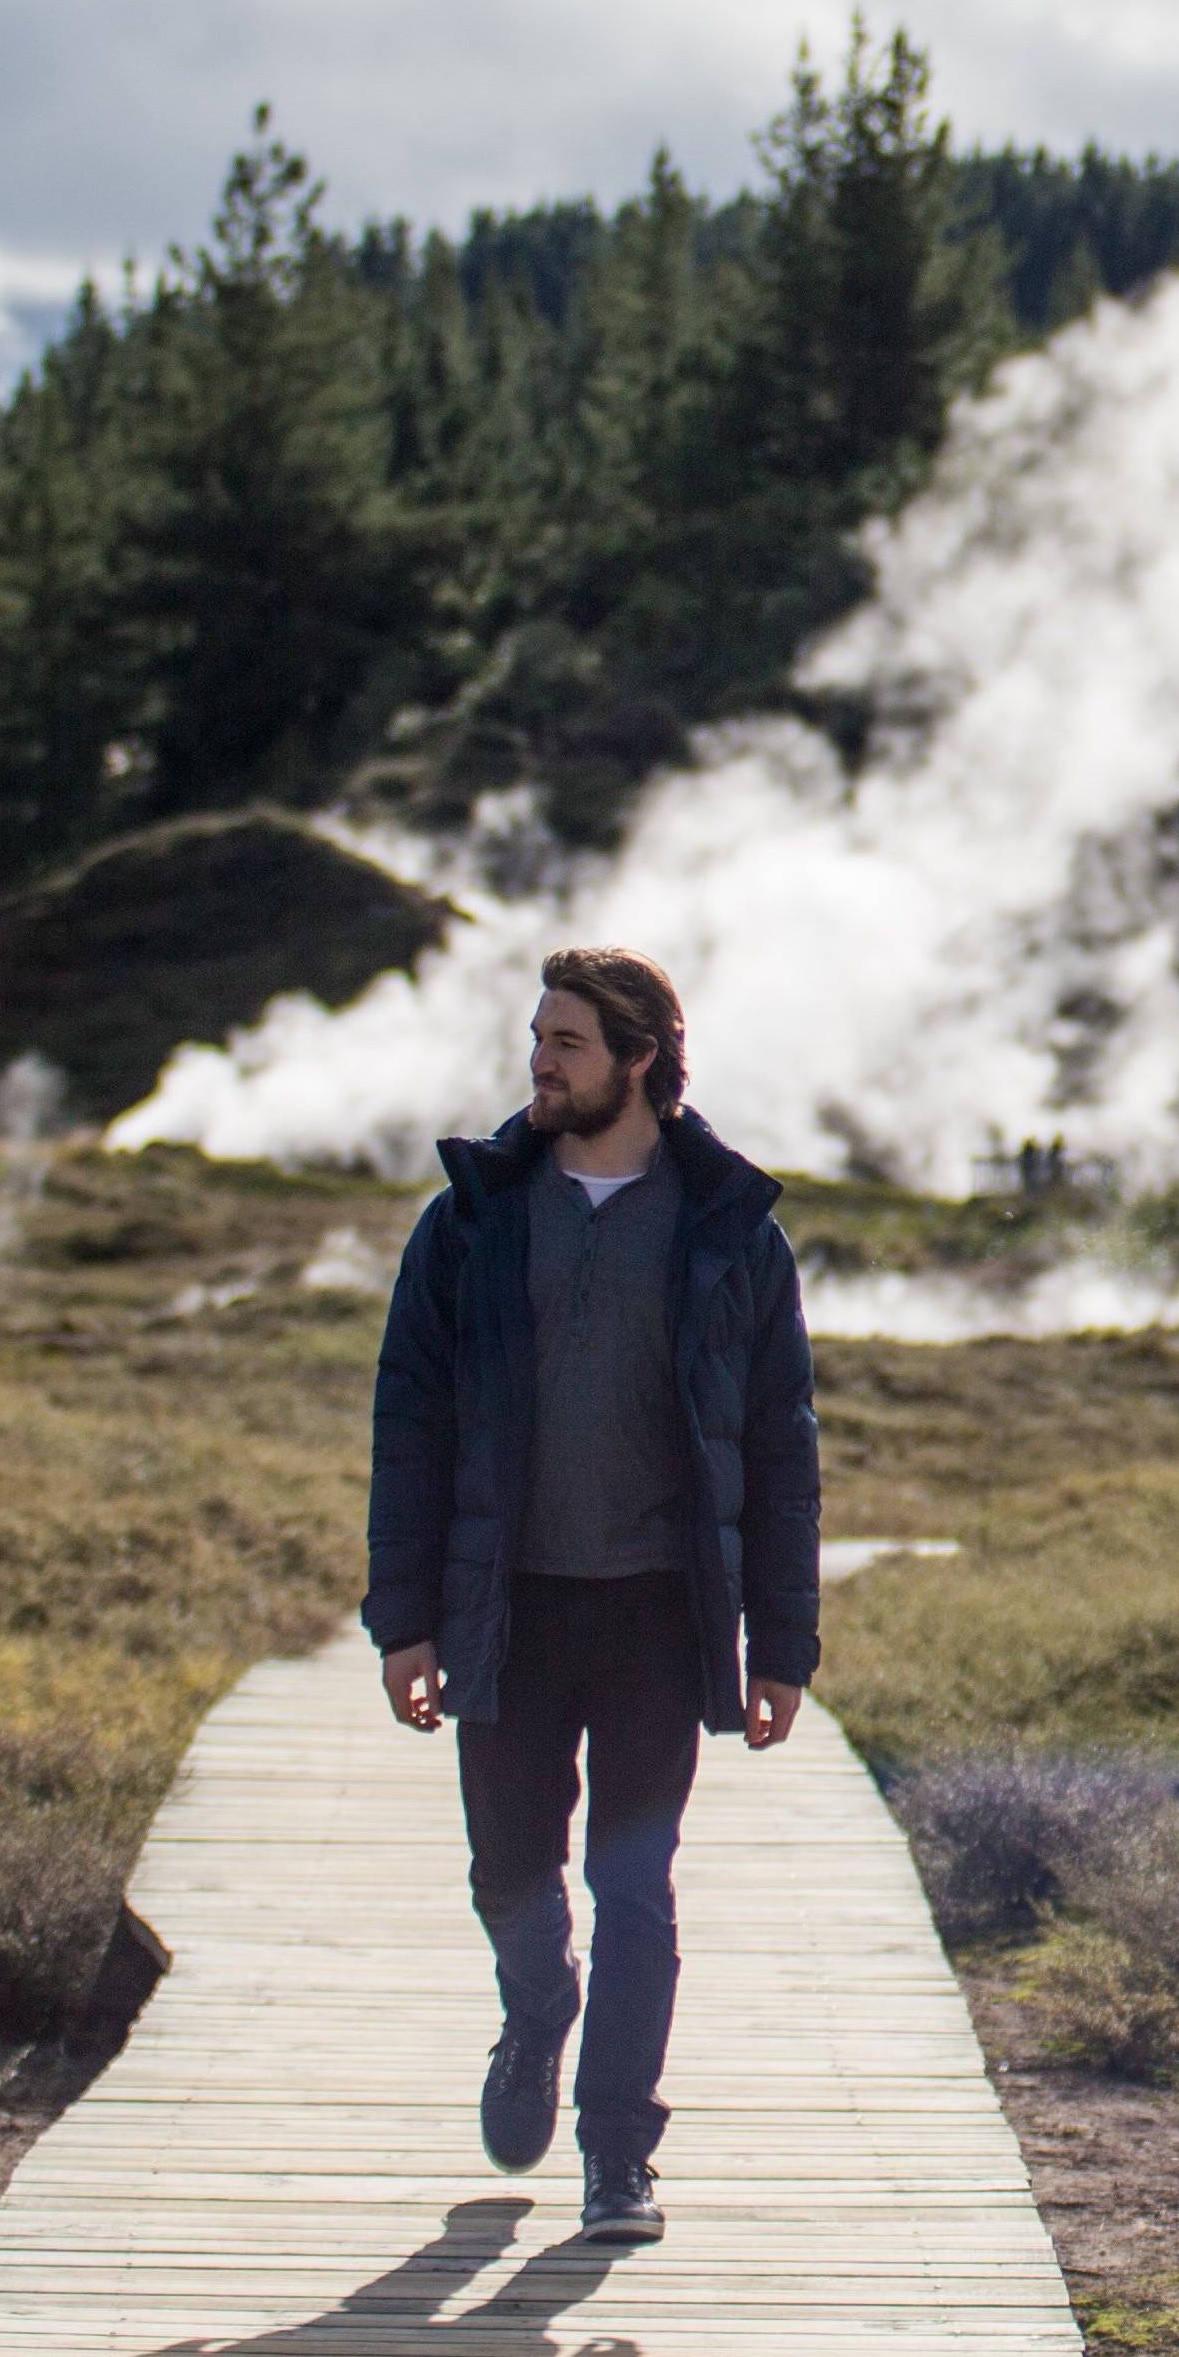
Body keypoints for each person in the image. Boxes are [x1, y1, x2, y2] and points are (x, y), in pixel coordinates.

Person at [364, 946, 822, 2246]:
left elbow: (780, 1448)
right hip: (506, 1608)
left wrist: (781, 1646)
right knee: (510, 1874)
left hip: (656, 1619)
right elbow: (411, 1425)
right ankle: (536, 2011)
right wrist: (404, 1620)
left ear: (639, 1058)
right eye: (537, 1039)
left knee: (636, 1889)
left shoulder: (730, 1233)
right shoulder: (472, 1220)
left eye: (565, 1042)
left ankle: (618, 2154)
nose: (539, 1064)